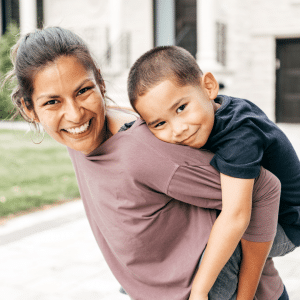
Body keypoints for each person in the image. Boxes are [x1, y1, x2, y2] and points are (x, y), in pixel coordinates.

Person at [6, 27, 288, 300]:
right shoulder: (82, 134)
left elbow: (263, 189)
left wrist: (245, 293)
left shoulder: (141, 150)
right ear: (29, 109)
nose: (74, 114)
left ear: (100, 84)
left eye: (83, 91)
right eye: (52, 102)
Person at [127, 45, 299, 299]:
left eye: (181, 108)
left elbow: (236, 217)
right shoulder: (204, 115)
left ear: (209, 87)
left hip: (286, 225)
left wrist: (199, 291)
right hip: (248, 208)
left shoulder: (240, 135)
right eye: (160, 123)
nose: (178, 129)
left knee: (214, 249)